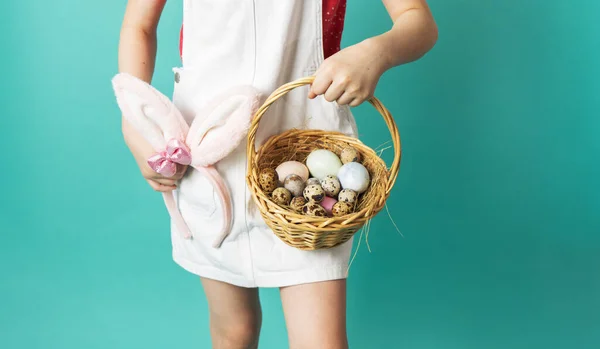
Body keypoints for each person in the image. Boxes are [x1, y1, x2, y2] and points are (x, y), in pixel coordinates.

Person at [117, 1, 437, 348]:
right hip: (211, 160)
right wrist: (133, 124)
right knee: (233, 331)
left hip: (310, 183)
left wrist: (376, 53)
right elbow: (139, 27)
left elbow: (418, 22)